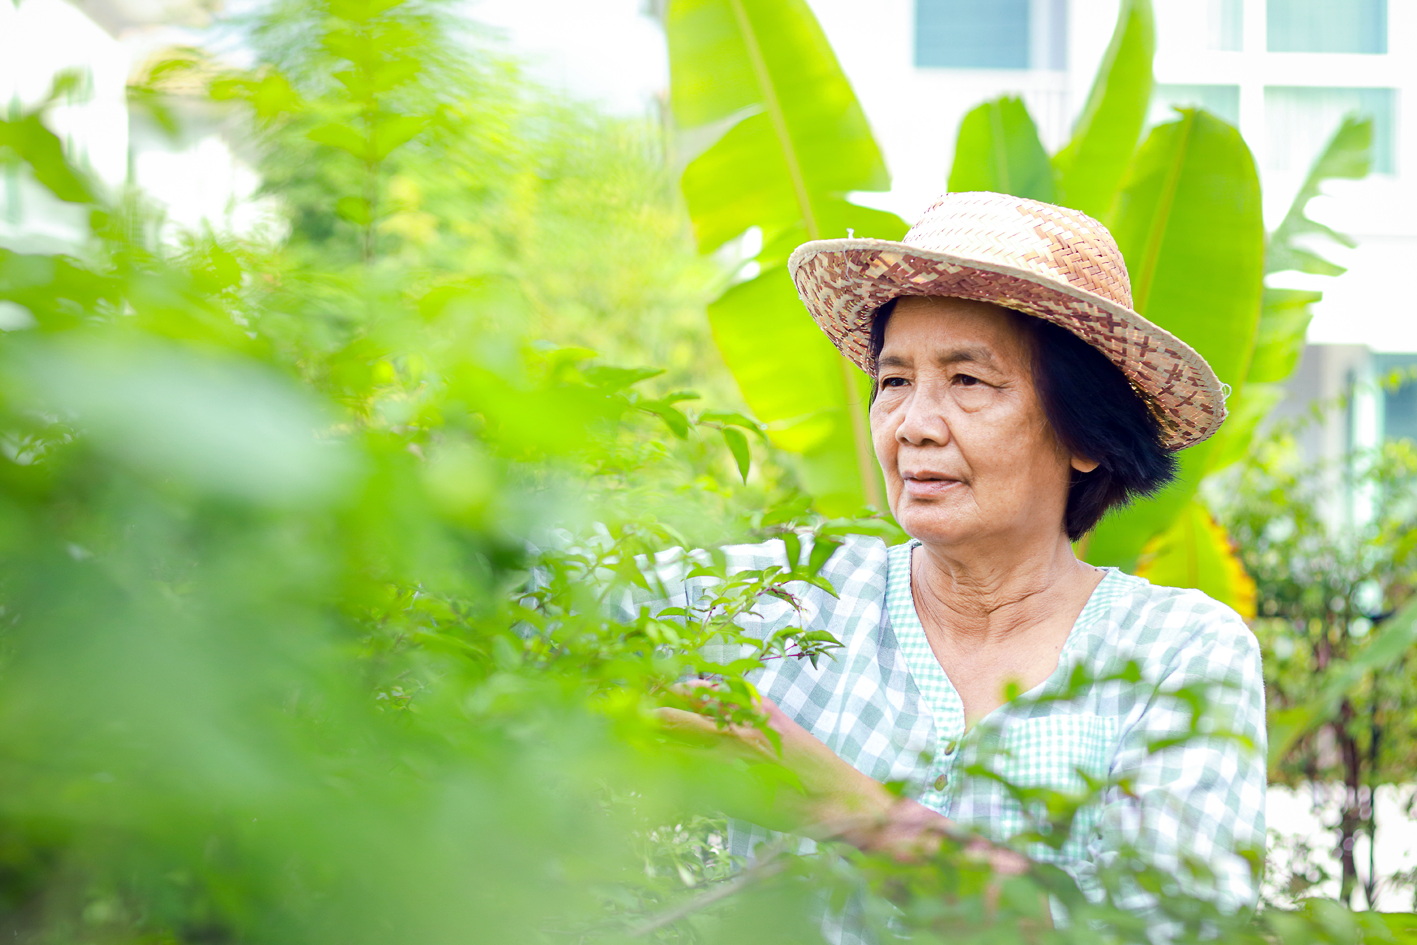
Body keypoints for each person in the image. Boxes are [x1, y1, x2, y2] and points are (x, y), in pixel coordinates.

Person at [649, 192, 1267, 934]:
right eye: (894, 380)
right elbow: (529, 596)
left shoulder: (1176, 651)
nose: (912, 425)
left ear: (1086, 434)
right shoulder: (783, 596)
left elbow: (1171, 930)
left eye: (967, 381)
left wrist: (844, 804)